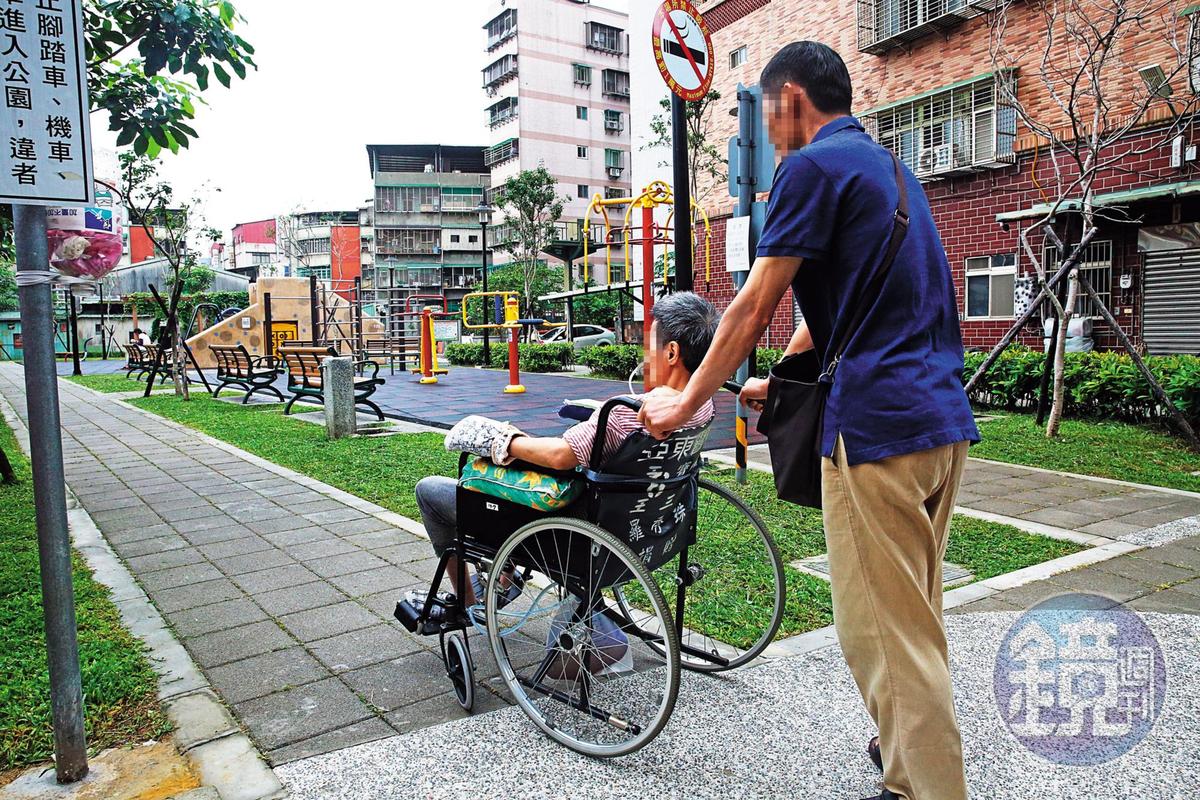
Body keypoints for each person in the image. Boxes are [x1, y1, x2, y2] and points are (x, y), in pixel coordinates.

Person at [638, 42, 979, 800]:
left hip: (876, 434)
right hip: (942, 424)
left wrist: (688, 398)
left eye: (763, 112)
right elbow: (835, 315)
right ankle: (903, 747)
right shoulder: (892, 172)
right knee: (914, 619)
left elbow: (756, 302)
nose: (767, 131)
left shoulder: (810, 168)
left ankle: (924, 787)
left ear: (790, 100)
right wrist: (777, 381)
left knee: (883, 634)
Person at [408, 291, 720, 615]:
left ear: (671, 353)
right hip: (647, 527)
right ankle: (503, 576)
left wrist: (500, 440)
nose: (644, 353)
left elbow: (561, 457)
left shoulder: (623, 413)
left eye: (649, 343)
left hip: (572, 532)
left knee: (430, 491)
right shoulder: (700, 407)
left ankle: (466, 602)